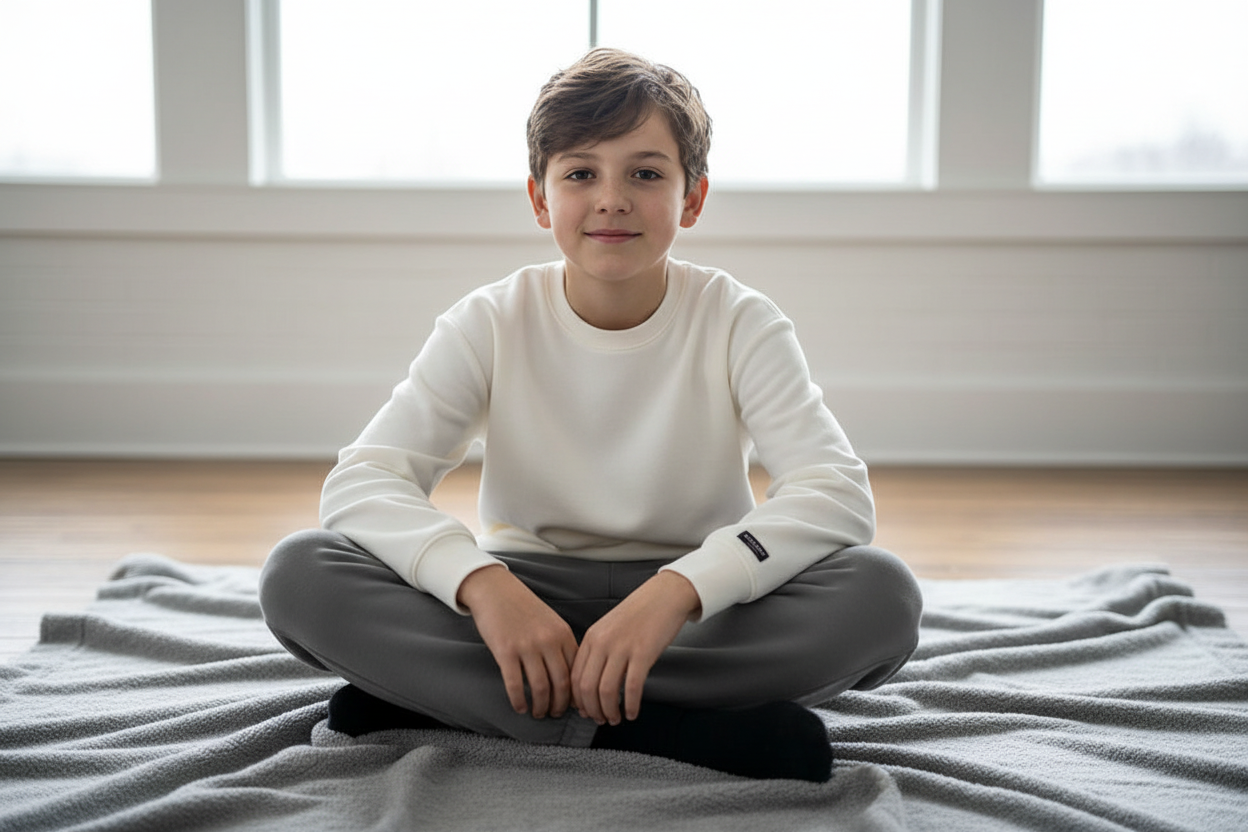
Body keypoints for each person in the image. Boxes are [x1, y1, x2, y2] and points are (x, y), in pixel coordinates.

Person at [259, 48, 922, 784]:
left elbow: (833, 492)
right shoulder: (490, 321)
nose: (612, 199)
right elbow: (365, 481)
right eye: (580, 174)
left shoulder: (740, 321)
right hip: (525, 596)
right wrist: (483, 586)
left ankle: (466, 703)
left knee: (881, 595)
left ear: (692, 199)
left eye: (646, 174)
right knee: (300, 574)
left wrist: (679, 591)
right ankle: (676, 730)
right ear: (540, 200)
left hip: (693, 616)